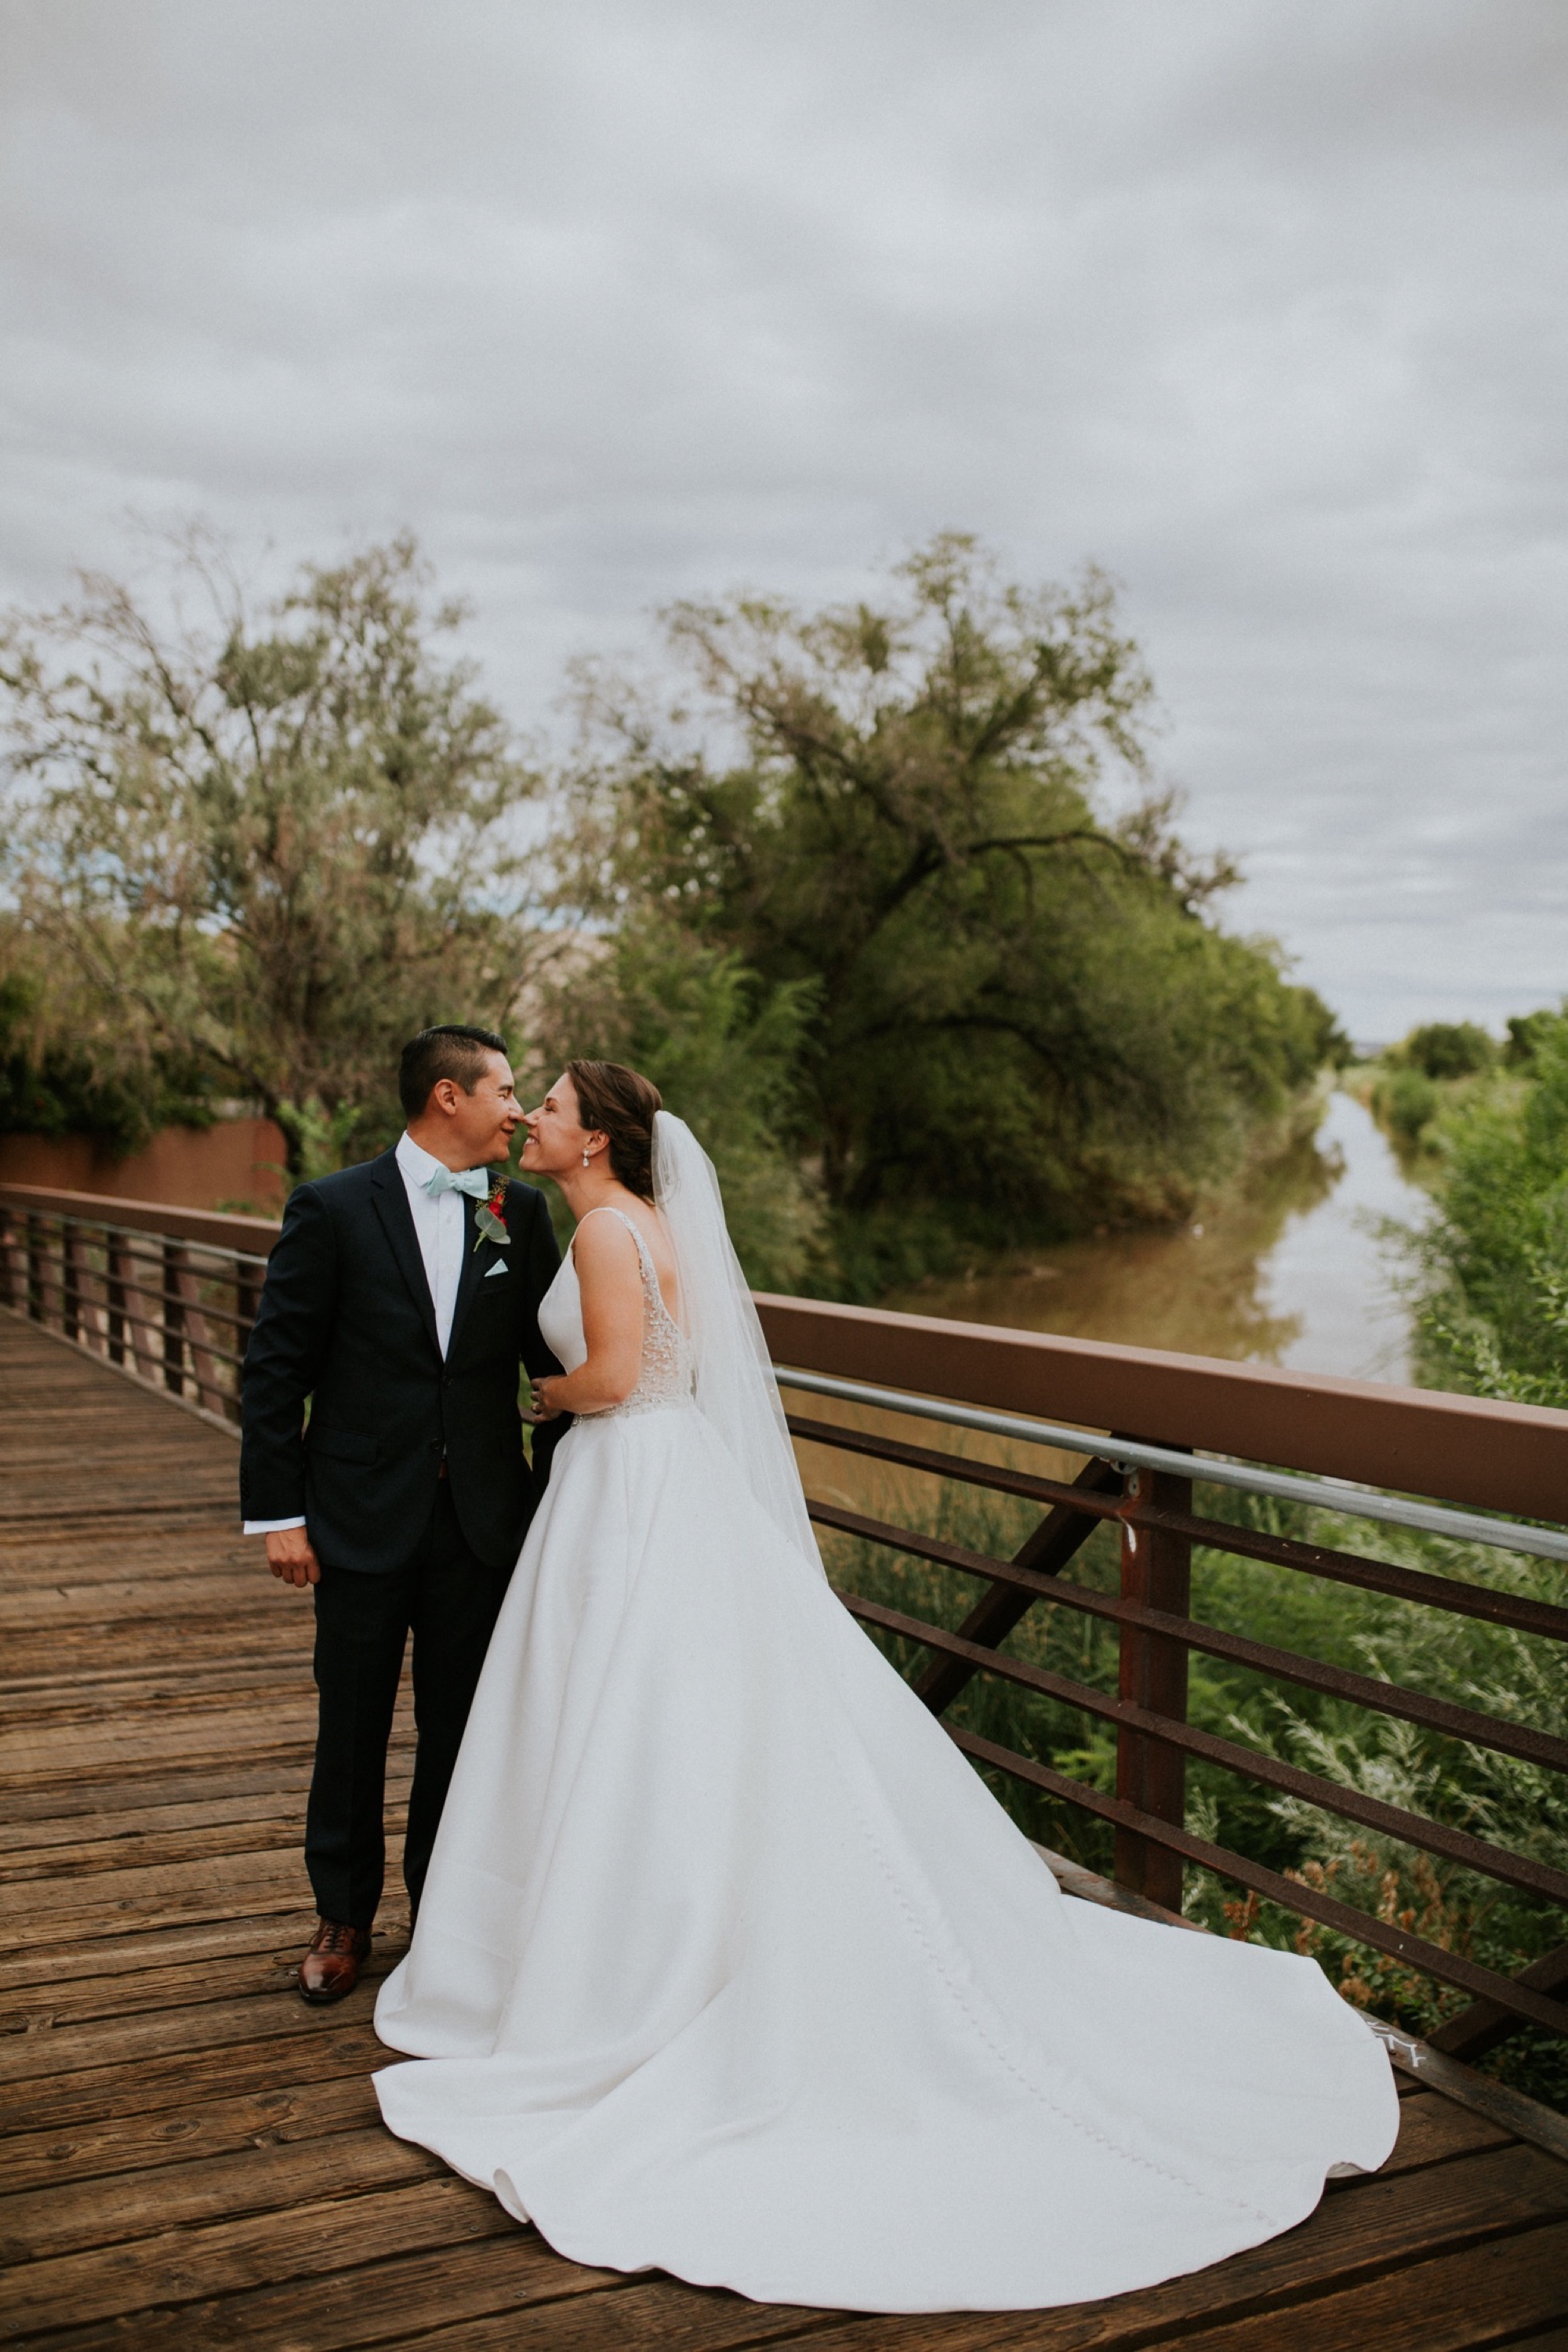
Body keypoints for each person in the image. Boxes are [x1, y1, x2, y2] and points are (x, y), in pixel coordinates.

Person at [372, 1060, 1399, 2314]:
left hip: (622, 1483)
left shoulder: (596, 1230)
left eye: (557, 1106)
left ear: (598, 1143)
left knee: (631, 1724)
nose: (534, 1116)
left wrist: (534, 1393)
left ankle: (620, 1969)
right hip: (671, 1483)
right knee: (689, 1725)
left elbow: (615, 1377)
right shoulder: (649, 1221)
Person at [240, 1025, 567, 2004]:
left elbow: (555, 1375)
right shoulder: (332, 1208)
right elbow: (274, 1374)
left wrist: (551, 1506)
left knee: (461, 1732)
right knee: (352, 1726)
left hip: (481, 1525)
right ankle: (341, 1918)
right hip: (354, 1520)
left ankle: (444, 1920)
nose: (517, 1110)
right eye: (504, 1091)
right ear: (446, 1098)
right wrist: (278, 1516)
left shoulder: (524, 1213)